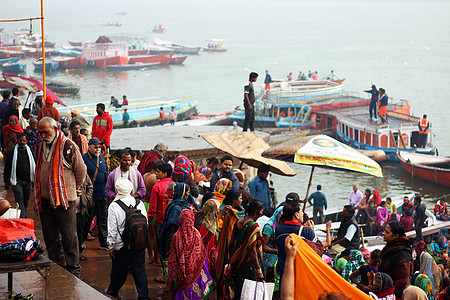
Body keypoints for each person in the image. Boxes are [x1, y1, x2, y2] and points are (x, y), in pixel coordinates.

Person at [33, 117, 87, 277]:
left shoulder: (68, 146)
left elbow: (81, 170)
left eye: (46, 132)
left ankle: (73, 270)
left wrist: (74, 188)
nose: (43, 135)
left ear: (56, 129)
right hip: (45, 200)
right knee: (50, 237)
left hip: (64, 200)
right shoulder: (41, 145)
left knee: (69, 237)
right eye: (40, 132)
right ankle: (57, 267)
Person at [106, 178, 149, 300]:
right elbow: (145, 223)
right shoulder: (139, 203)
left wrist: (111, 246)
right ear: (130, 189)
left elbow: (112, 229)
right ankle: (143, 296)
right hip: (138, 243)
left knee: (119, 270)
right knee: (139, 270)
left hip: (122, 245)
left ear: (117, 190)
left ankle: (112, 291)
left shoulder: (114, 206)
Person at [167, 209, 213, 299]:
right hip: (196, 274)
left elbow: (173, 259)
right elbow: (201, 256)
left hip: (181, 277)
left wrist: (173, 276)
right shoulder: (197, 234)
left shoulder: (176, 236)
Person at [229, 199, 265, 300]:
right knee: (249, 292)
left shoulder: (238, 222)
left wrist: (231, 258)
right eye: (261, 211)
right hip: (248, 263)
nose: (262, 213)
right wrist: (258, 270)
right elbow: (252, 250)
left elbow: (231, 242)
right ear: (255, 212)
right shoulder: (253, 226)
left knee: (239, 290)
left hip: (237, 262)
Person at [275, 202, 319, 280]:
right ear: (296, 215)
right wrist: (312, 231)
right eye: (301, 212)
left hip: (283, 270)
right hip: (300, 272)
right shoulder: (307, 231)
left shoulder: (278, 229)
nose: (303, 214)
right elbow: (318, 251)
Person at [159, 183, 193, 283]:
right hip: (176, 240)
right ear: (181, 192)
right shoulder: (175, 208)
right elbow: (171, 228)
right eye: (186, 192)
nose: (188, 194)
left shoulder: (186, 205)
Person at [82, 137, 109, 250]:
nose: (98, 149)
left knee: (103, 219)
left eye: (99, 147)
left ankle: (103, 242)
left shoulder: (101, 157)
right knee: (86, 220)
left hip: (102, 195)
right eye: (95, 147)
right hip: (90, 197)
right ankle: (81, 241)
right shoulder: (83, 158)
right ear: (89, 147)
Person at [4, 133, 35, 218]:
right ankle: (23, 218)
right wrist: (6, 181)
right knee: (19, 199)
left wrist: (35, 181)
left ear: (26, 141)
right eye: (20, 140)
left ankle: (22, 214)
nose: (22, 142)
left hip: (28, 181)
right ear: (17, 141)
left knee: (25, 199)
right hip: (17, 181)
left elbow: (35, 165)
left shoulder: (30, 152)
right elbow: (7, 167)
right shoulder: (12, 152)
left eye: (24, 140)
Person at [378, 222, 414, 298]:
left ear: (396, 236)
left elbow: (403, 281)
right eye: (384, 231)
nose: (384, 233)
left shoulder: (402, 255)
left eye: (387, 232)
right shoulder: (390, 250)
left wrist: (390, 295)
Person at [148, 162, 173, 265]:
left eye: (158, 172)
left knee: (159, 242)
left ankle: (159, 261)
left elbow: (153, 206)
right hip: (171, 219)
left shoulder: (157, 187)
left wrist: (150, 217)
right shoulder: (173, 185)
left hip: (160, 219)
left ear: (165, 174)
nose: (156, 174)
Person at [199, 199, 221, 277]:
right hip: (207, 260)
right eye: (217, 209)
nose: (218, 211)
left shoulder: (201, 221)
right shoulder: (209, 227)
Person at [262, 206, 283, 280]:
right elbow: (262, 246)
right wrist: (276, 251)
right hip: (269, 257)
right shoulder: (269, 227)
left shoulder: (280, 226)